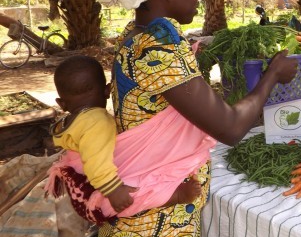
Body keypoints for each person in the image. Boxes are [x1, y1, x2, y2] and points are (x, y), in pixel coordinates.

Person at [90, 0, 297, 237]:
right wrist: (272, 75)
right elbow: (230, 127)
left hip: (147, 213)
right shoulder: (158, 49)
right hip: (154, 233)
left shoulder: (136, 36)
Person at [46, 55, 204, 224]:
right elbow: (96, 162)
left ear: (61, 104)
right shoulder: (97, 122)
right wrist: (113, 191)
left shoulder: (74, 120)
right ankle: (176, 196)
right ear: (108, 91)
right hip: (94, 198)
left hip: (81, 185)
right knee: (133, 197)